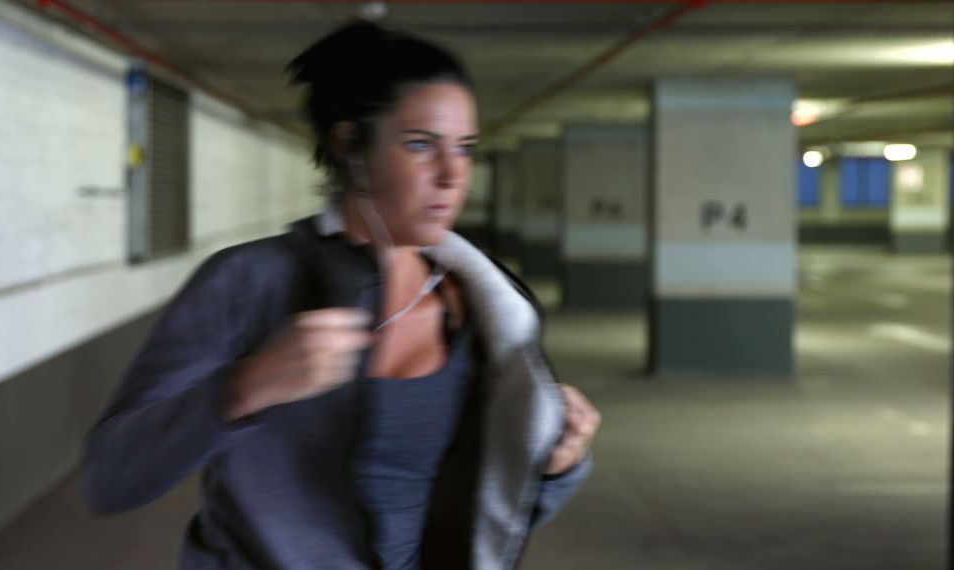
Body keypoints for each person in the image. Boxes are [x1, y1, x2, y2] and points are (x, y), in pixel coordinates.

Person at [82, 20, 599, 570]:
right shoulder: (250, 281)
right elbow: (111, 479)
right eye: (420, 145)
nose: (452, 176)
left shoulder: (479, 308)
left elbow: (474, 519)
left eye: (466, 149)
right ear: (350, 144)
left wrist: (555, 467)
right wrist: (244, 387)